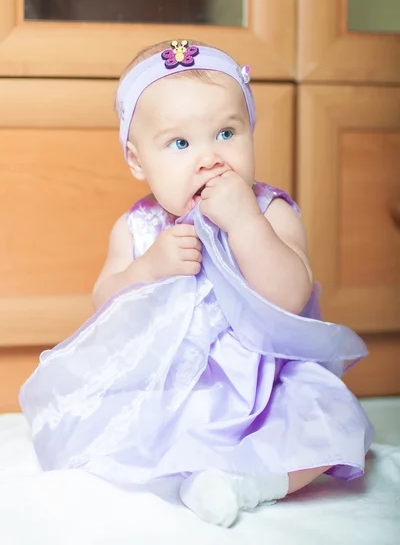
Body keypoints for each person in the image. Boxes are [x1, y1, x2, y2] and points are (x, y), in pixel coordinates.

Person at [20, 39, 374, 528]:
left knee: (329, 419)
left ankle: (250, 484)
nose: (210, 158)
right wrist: (147, 270)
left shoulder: (271, 212)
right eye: (180, 144)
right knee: (127, 424)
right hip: (177, 380)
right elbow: (104, 306)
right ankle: (190, 471)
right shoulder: (138, 228)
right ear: (138, 160)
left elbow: (290, 296)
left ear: (252, 132)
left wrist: (246, 223)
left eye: (226, 133)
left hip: (267, 385)